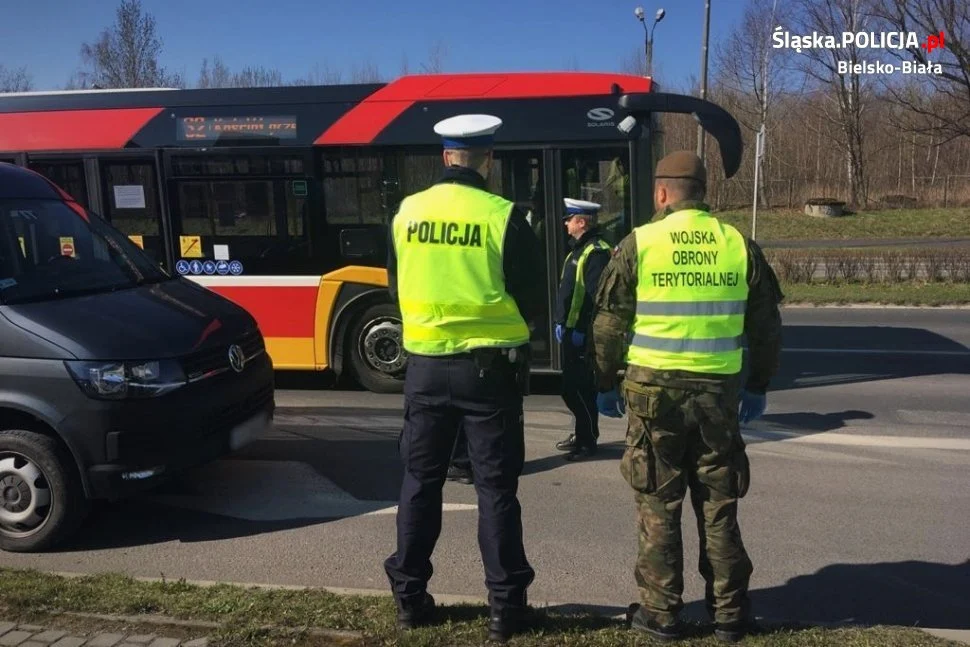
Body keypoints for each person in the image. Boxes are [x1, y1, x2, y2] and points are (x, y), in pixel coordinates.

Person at [589, 150, 783, 643]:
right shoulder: (738, 245)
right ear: (702, 192)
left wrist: (605, 382)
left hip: (653, 397)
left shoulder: (639, 243)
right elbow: (766, 328)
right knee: (718, 504)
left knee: (659, 502)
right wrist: (758, 385)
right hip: (718, 396)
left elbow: (609, 324)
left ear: (661, 193)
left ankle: (661, 613)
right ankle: (730, 614)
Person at [383, 113, 541, 643]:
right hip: (488, 373)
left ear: (445, 157)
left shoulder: (407, 212)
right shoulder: (503, 215)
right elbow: (531, 294)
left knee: (420, 482)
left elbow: (395, 284)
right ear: (487, 161)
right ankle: (505, 609)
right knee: (495, 490)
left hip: (424, 368)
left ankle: (409, 600)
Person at [553, 198, 612, 460]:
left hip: (582, 334)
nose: (566, 225)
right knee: (574, 388)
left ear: (581, 222)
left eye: (569, 220)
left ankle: (587, 441)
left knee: (578, 389)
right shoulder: (578, 251)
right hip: (570, 330)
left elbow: (595, 297)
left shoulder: (596, 253)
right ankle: (583, 433)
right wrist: (560, 321)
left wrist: (582, 330)